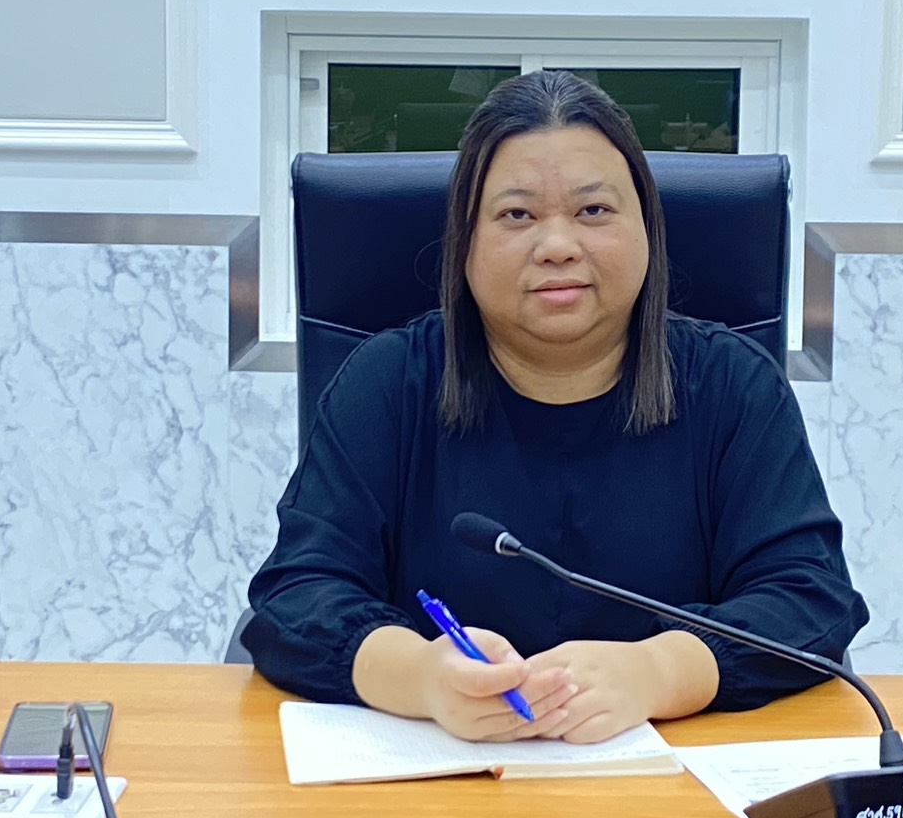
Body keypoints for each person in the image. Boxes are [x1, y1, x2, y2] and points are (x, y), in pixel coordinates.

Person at [241, 70, 868, 744]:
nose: (558, 246)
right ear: (464, 242)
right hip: (440, 776)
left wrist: (658, 672)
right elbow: (296, 597)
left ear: (647, 230)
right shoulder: (389, 381)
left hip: (676, 777)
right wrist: (421, 677)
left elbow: (808, 599)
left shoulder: (731, 385)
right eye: (517, 215)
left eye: (593, 211)